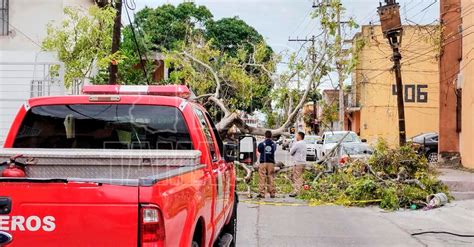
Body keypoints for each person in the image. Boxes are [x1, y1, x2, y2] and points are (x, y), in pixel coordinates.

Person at [257, 130, 277, 198]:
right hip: (271, 163)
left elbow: (259, 150)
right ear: (271, 136)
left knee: (262, 177)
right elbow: (274, 150)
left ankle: (262, 193)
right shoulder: (274, 144)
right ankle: (272, 193)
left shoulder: (261, 144)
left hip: (263, 162)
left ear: (265, 136)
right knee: (271, 177)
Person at [289, 132, 307, 197]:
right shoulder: (304, 143)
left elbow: (291, 152)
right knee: (300, 177)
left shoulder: (297, 143)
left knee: (296, 177)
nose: (296, 137)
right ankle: (299, 190)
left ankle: (296, 191)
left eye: (297, 136)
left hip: (298, 162)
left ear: (299, 136)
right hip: (303, 162)